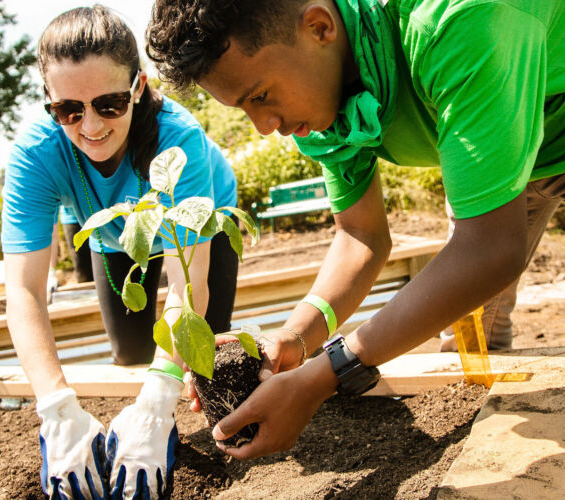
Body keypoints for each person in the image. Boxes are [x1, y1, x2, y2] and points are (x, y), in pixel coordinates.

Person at [146, 0, 565, 459]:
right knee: (469, 339)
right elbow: (362, 237)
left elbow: (489, 247)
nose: (264, 127)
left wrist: (327, 373)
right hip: (510, 147)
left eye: (260, 95)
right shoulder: (322, 86)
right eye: (243, 108)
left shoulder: (457, 20)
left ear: (320, 26)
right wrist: (297, 337)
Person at [1, 5, 239, 498]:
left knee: (202, 363)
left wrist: (156, 402)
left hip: (194, 231)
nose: (89, 126)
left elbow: (184, 281)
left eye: (109, 103)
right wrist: (57, 410)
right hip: (118, 235)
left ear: (140, 86)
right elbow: (23, 291)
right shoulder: (34, 154)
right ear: (49, 101)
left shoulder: (178, 140)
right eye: (69, 109)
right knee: (131, 352)